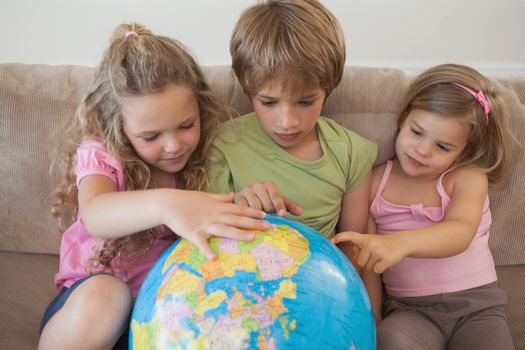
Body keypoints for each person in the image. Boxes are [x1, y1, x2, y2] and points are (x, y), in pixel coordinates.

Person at [37, 23, 271, 350]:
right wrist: (167, 204)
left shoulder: (209, 153)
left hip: (162, 319)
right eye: (151, 137)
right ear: (117, 126)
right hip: (90, 315)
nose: (174, 145)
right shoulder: (104, 153)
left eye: (186, 125)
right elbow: (96, 214)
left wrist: (248, 201)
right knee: (108, 296)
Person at [332, 63, 515, 349]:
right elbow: (369, 262)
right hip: (410, 312)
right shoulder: (376, 181)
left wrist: (400, 243)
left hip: (477, 307)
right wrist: (375, 316)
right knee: (389, 340)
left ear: (464, 150)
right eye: (417, 132)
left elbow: (460, 232)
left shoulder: (467, 178)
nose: (423, 150)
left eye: (443, 147)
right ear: (403, 118)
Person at [205, 0, 377, 263]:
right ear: (247, 90)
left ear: (328, 90)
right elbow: (207, 239)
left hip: (321, 284)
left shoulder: (352, 152)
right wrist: (240, 207)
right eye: (268, 102)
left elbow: (351, 248)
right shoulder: (223, 144)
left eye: (306, 102)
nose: (287, 122)